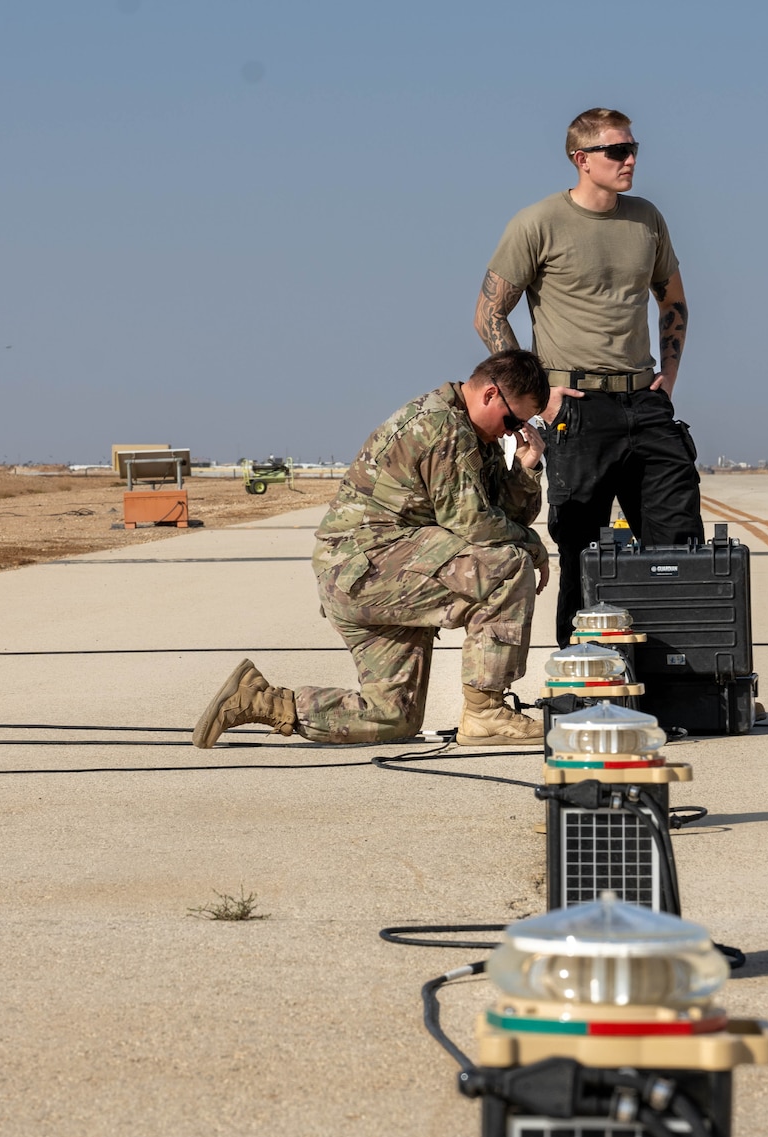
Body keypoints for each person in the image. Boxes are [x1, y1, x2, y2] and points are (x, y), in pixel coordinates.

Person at [191, 350, 556, 748]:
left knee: (393, 717)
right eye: (512, 421)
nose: (511, 432)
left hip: (381, 573)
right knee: (506, 566)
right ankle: (486, 712)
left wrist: (525, 467)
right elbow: (473, 524)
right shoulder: (442, 427)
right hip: (369, 567)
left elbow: (499, 516)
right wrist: (534, 546)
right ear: (490, 394)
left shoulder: (472, 431)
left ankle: (263, 702)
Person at [476, 107, 701, 646]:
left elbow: (673, 301)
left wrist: (668, 376)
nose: (629, 160)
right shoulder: (537, 223)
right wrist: (538, 399)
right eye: (616, 151)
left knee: (678, 546)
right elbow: (488, 314)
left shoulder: (647, 218)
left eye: (633, 149)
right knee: (583, 551)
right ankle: (578, 683)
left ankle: (687, 678)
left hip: (644, 402)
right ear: (582, 159)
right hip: (574, 408)